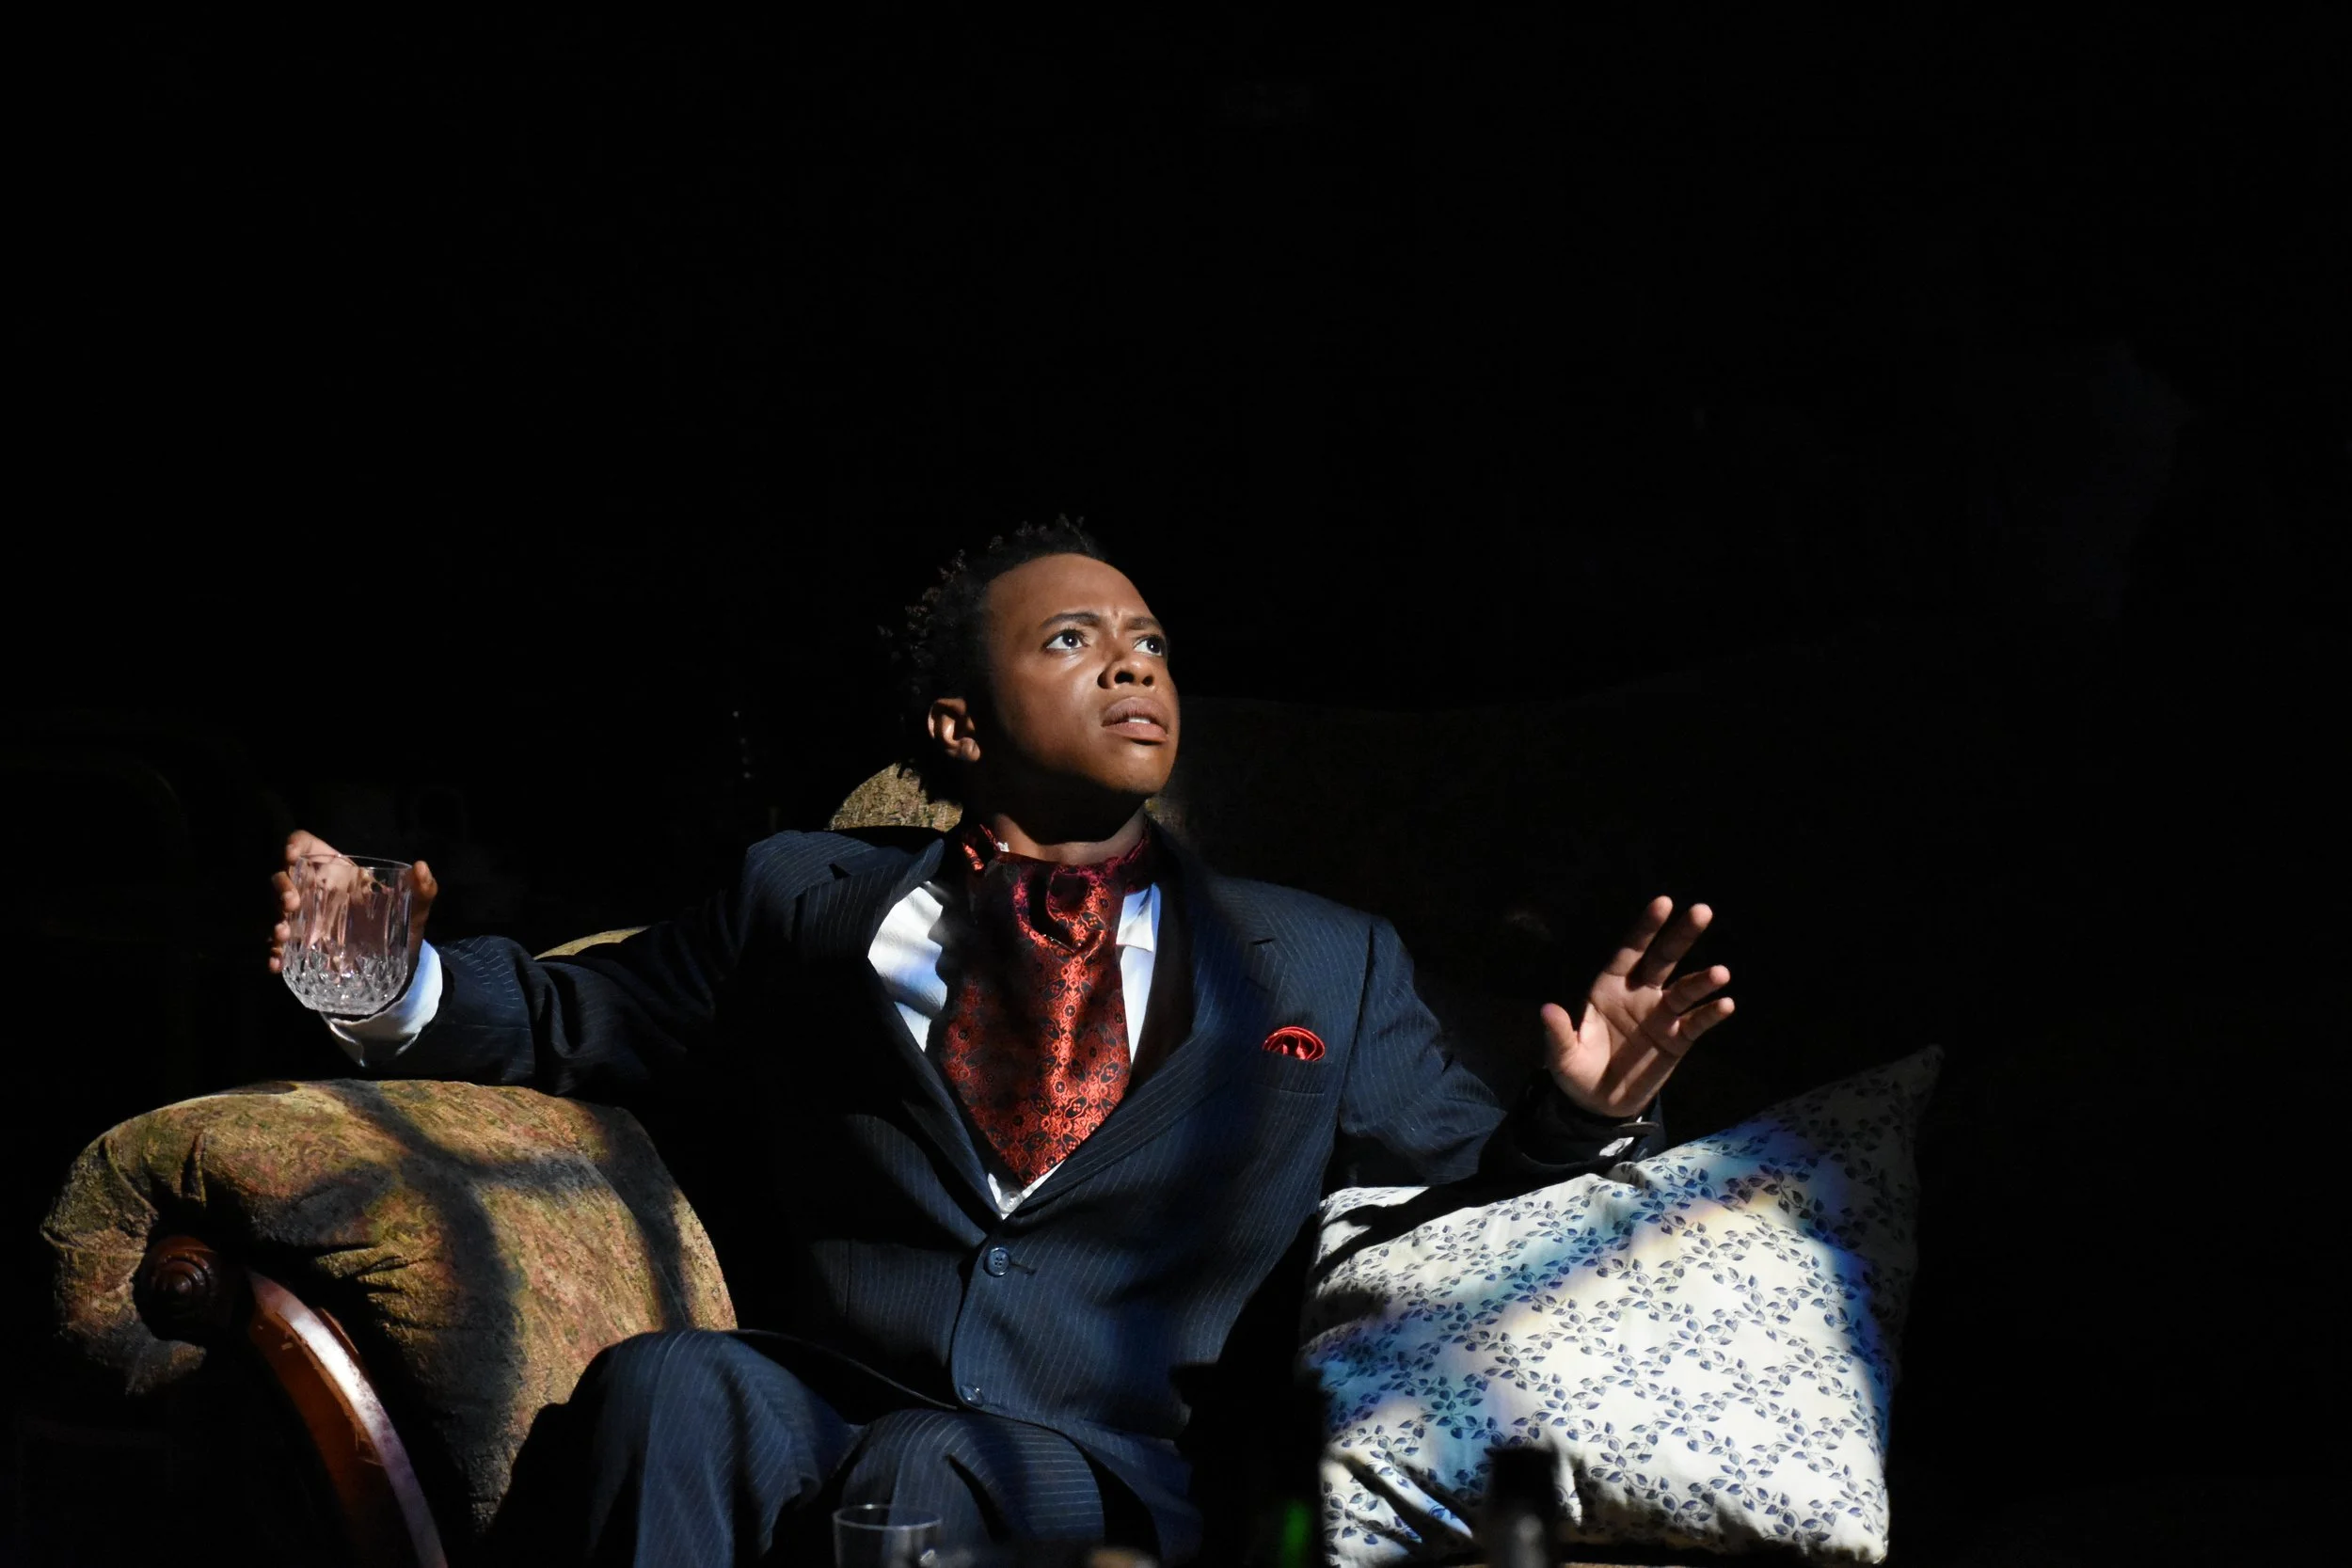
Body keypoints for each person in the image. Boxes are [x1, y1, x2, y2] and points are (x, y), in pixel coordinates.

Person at [267, 520, 1735, 1565]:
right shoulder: (806, 901)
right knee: (670, 1383)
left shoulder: (1321, 958)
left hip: (1126, 1464)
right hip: (837, 1388)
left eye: (1150, 641)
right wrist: (383, 975)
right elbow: (580, 1014)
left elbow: (1459, 1200)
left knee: (931, 1467)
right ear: (960, 728)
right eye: (1074, 639)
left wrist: (1582, 1115)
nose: (1136, 666)